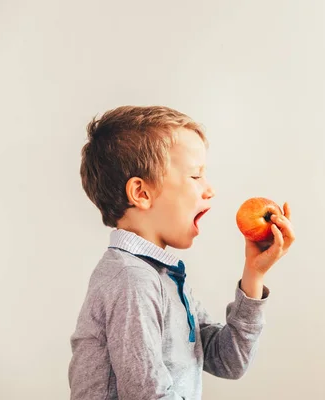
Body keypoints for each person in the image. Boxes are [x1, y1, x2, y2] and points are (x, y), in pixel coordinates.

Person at [68, 105, 295, 399]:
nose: (209, 189)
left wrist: (254, 274)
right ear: (141, 193)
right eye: (195, 176)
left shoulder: (162, 276)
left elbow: (227, 360)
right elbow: (147, 394)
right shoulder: (131, 280)